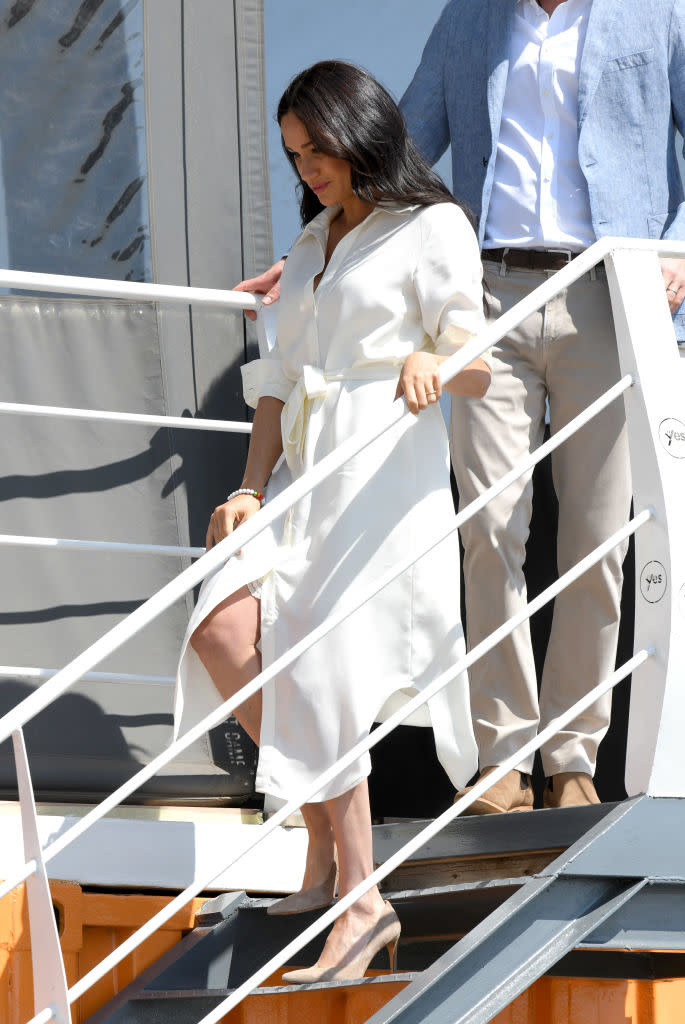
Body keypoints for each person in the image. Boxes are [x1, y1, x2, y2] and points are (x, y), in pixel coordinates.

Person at [240, 0, 685, 813]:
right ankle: (503, 754)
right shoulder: (471, 19)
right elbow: (394, 143)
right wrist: (305, 256)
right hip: (489, 299)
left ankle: (574, 754)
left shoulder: (658, 13)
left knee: (596, 542)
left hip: (611, 293)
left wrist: (677, 244)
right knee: (487, 528)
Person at [174, 60, 490, 982]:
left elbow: (471, 350)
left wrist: (434, 364)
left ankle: (356, 894)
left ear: (361, 135)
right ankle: (329, 855)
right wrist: (247, 487)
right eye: (294, 156)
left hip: (386, 459)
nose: (308, 169)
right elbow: (274, 385)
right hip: (312, 470)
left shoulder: (432, 226)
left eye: (318, 151)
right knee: (227, 629)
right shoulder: (312, 245)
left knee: (323, 664)